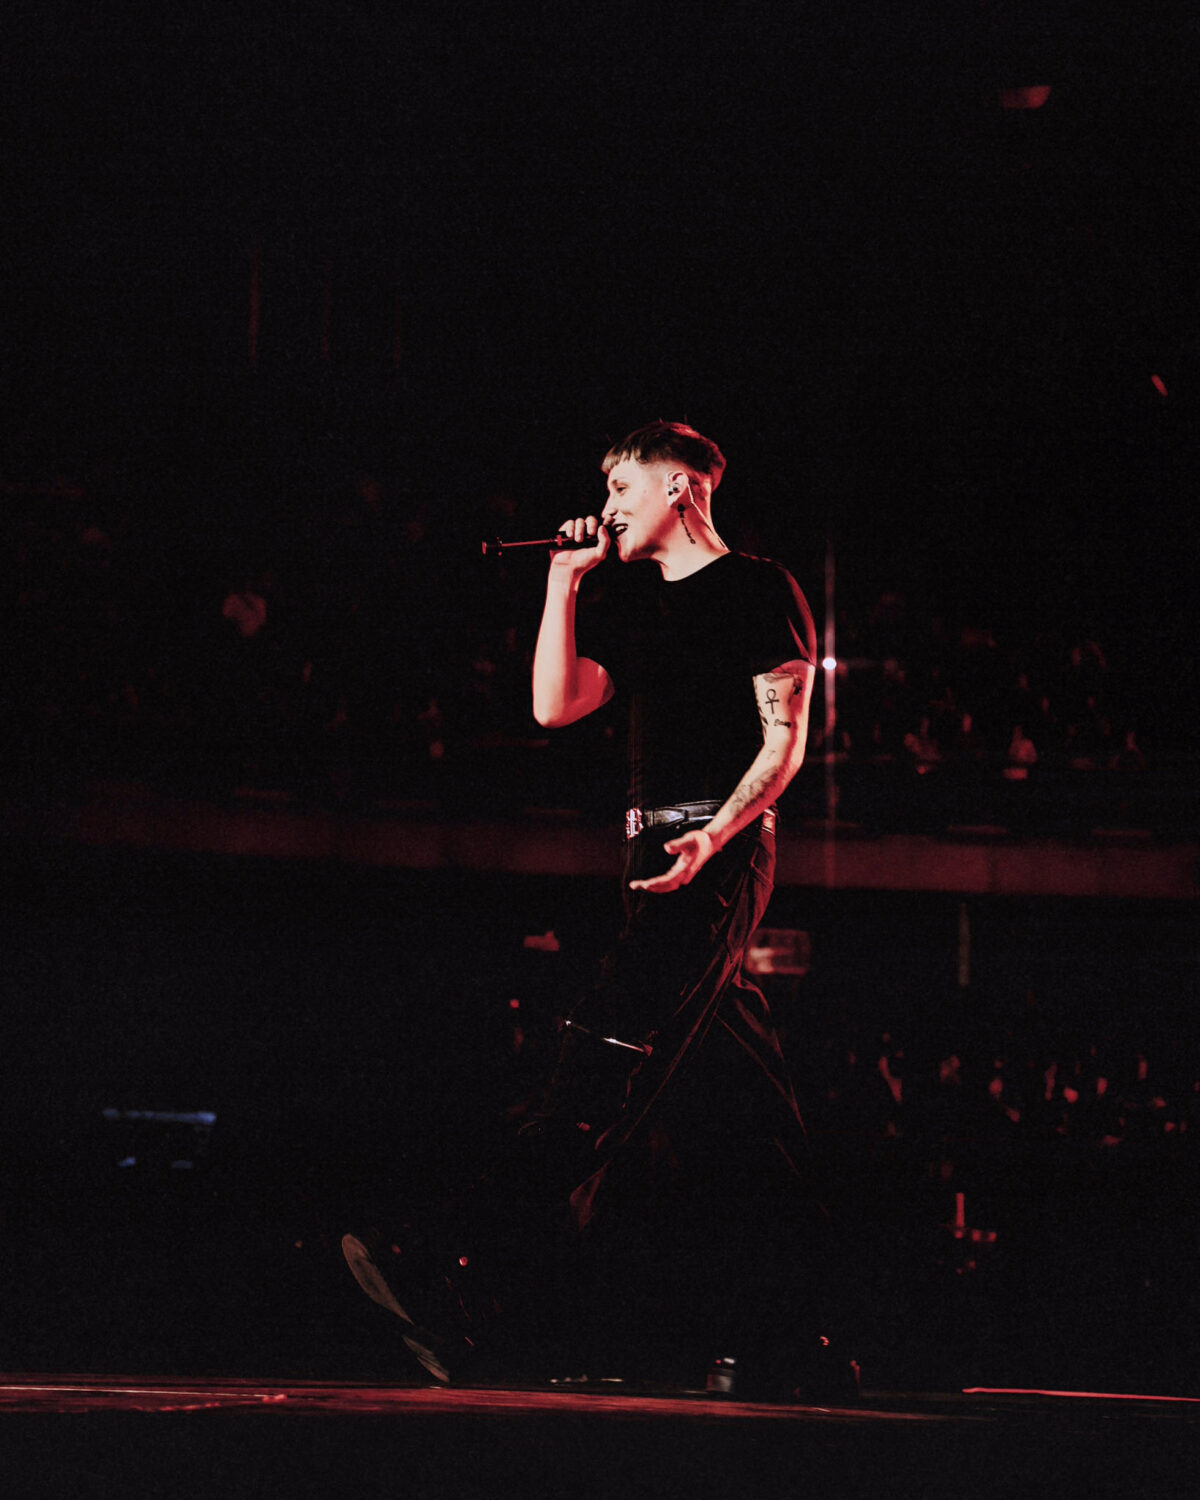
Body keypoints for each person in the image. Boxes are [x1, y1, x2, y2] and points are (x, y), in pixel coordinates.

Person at [345, 422, 848, 1397]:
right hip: (650, 855)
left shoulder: (759, 588)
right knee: (748, 1103)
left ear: (681, 487)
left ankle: (458, 1268)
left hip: (713, 850)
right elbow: (555, 704)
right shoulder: (637, 603)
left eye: (622, 485)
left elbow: (784, 738)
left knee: (603, 1055)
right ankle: (800, 1342)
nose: (607, 505)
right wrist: (564, 582)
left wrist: (717, 837)